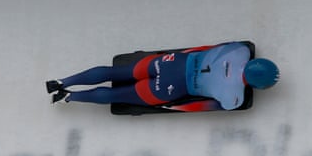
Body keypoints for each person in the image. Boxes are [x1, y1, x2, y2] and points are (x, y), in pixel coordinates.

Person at [46, 42, 279, 111]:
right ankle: (69, 98)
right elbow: (227, 105)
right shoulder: (235, 95)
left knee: (113, 72)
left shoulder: (240, 52)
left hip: (166, 63)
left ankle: (62, 82)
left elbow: (235, 45)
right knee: (115, 95)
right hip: (166, 89)